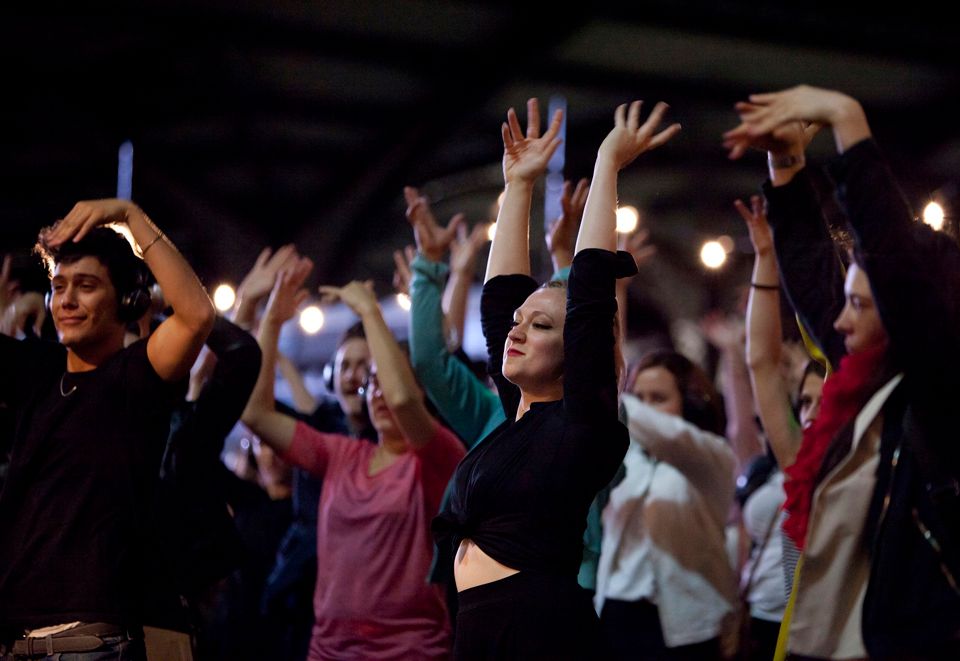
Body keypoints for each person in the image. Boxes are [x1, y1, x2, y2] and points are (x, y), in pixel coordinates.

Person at [725, 80, 960, 659]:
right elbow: (814, 287)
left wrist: (847, 119)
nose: (839, 322)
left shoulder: (951, 397)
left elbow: (897, 268)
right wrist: (786, 164)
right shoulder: (875, 393)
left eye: (862, 305)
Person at [432, 97, 678, 658]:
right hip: (480, 629)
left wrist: (608, 164)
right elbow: (498, 305)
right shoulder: (518, 417)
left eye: (538, 325)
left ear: (576, 352)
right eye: (520, 323)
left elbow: (590, 295)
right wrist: (518, 186)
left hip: (538, 632)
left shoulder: (581, 425)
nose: (515, 332)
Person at [0, 199, 214, 660]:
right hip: (15, 639)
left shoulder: (136, 375)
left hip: (90, 641)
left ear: (127, 300)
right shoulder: (37, 370)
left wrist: (128, 217)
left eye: (86, 286)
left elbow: (197, 316)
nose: (67, 300)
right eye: (59, 287)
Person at [240, 256, 465, 661]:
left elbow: (401, 398)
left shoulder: (437, 456)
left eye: (387, 380)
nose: (378, 393)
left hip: (410, 651)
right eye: (370, 384)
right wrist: (271, 320)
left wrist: (369, 311)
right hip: (329, 649)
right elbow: (255, 414)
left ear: (421, 395)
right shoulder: (341, 453)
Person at [596, 350, 737, 661]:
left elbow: (671, 436)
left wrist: (606, 390)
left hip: (689, 624)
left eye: (658, 398)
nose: (645, 408)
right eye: (639, 397)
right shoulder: (625, 456)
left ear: (690, 403)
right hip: (618, 612)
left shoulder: (712, 456)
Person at [737, 194, 825, 660]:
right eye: (805, 401)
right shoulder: (799, 464)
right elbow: (762, 364)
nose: (810, 413)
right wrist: (766, 260)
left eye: (823, 402)